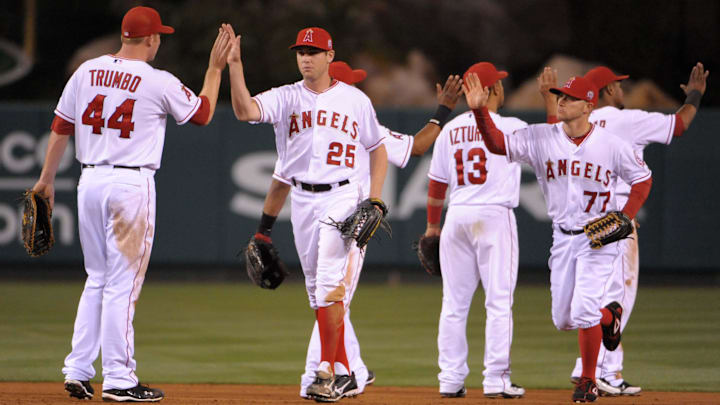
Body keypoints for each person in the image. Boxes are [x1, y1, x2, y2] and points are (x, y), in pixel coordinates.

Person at [31, 7, 232, 402]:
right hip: (129, 184)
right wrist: (215, 69)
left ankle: (78, 368)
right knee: (123, 283)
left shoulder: (86, 71)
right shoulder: (157, 81)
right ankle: (121, 380)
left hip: (89, 180)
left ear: (125, 37)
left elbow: (60, 127)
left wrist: (46, 180)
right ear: (152, 39)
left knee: (97, 278)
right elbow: (203, 114)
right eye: (159, 36)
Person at [464, 73, 653, 403]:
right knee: (564, 318)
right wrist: (480, 112)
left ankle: (588, 380)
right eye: (559, 96)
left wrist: (626, 215)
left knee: (583, 311)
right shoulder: (540, 137)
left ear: (589, 106)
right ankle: (610, 317)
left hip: (601, 237)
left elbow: (642, 178)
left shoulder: (611, 144)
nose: (562, 101)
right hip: (563, 237)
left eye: (570, 97)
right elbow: (497, 143)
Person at [224, 25, 388, 403]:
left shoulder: (354, 99)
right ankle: (347, 371)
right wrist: (235, 66)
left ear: (330, 56)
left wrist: (375, 198)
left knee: (331, 283)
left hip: (342, 198)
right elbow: (245, 110)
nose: (306, 58)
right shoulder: (286, 97)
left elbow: (378, 149)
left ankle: (326, 373)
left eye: (313, 52)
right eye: (300, 52)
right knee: (317, 293)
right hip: (303, 201)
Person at [289, 61, 461, 398]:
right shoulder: (365, 125)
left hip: (343, 222)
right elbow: (418, 146)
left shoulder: (322, 127)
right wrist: (443, 111)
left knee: (329, 299)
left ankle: (326, 371)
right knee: (332, 300)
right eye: (354, 84)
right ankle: (351, 370)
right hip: (347, 219)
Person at [538, 63, 709, 396]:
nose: (621, 91)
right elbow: (680, 123)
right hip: (615, 221)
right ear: (608, 92)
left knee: (593, 301)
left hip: (579, 222)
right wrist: (695, 94)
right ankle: (599, 370)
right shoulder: (626, 120)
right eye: (618, 86)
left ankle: (608, 371)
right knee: (617, 299)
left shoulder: (569, 126)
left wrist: (549, 103)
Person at [426, 62, 526, 399]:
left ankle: (450, 380)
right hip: (494, 216)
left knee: (453, 305)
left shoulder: (451, 128)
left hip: (457, 216)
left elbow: (437, 184)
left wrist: (431, 227)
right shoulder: (511, 126)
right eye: (498, 84)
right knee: (498, 303)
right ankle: (496, 380)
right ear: (493, 90)